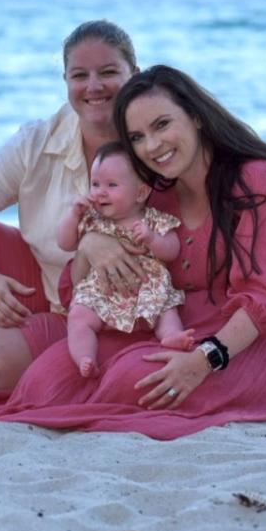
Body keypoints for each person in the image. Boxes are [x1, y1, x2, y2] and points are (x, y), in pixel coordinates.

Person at [0, 65, 266, 439]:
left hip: (254, 344)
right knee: (47, 380)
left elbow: (265, 301)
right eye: (137, 136)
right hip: (173, 326)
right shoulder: (158, 193)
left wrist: (204, 360)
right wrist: (92, 244)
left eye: (162, 125)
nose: (152, 146)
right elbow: (89, 281)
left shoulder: (256, 181)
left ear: (195, 116)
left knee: (132, 380)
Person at [0, 20, 151, 399]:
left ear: (136, 74)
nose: (94, 86)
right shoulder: (39, 139)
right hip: (47, 292)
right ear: (66, 82)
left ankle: (67, 364)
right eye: (79, 75)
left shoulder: (158, 139)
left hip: (125, 314)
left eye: (109, 72)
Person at [58, 140, 192, 378]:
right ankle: (85, 357)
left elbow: (172, 249)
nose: (100, 192)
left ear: (141, 192)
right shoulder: (91, 219)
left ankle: (171, 336)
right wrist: (72, 214)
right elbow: (65, 243)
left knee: (168, 312)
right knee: (79, 316)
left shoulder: (153, 220)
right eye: (95, 184)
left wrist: (152, 239)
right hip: (103, 293)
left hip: (149, 290)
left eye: (111, 185)